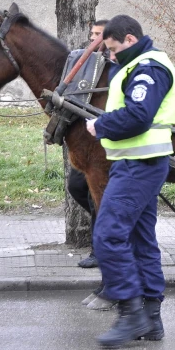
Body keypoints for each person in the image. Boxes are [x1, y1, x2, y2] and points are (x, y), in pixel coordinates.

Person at [85, 14, 175, 348]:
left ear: (129, 39)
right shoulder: (137, 64)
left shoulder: (148, 68)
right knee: (140, 239)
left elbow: (139, 116)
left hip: (140, 165)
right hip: (136, 163)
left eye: (112, 50)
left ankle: (130, 313)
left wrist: (102, 125)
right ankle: (151, 319)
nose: (110, 57)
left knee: (108, 235)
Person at [70, 18, 109, 270]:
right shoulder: (85, 64)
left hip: (106, 143)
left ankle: (99, 248)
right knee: (76, 187)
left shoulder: (112, 66)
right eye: (92, 34)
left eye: (100, 35)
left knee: (100, 193)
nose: (94, 40)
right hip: (87, 143)